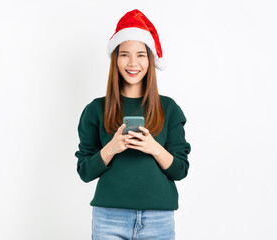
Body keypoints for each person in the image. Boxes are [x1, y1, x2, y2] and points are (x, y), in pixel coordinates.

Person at [75, 9, 191, 240]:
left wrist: (154, 148)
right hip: (109, 218)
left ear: (150, 59)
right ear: (115, 59)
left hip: (158, 219)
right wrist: (112, 147)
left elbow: (180, 169)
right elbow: (85, 172)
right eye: (124, 54)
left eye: (140, 55)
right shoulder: (95, 110)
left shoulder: (169, 109)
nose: (132, 63)